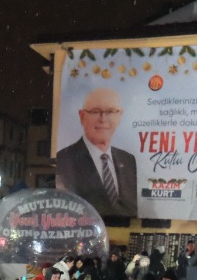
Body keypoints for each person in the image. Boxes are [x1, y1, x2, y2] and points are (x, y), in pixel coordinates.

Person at [57, 86, 138, 215]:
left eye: (111, 111)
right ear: (82, 116)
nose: (103, 119)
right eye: (95, 112)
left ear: (120, 116)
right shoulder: (64, 160)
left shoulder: (128, 160)